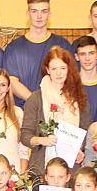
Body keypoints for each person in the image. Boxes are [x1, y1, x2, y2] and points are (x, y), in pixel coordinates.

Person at [19, 46, 89, 176]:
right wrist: (41, 140)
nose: (59, 73)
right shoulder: (35, 98)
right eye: (54, 68)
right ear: (47, 70)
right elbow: (25, 136)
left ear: (69, 69)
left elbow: (85, 132)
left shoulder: (79, 98)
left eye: (63, 68)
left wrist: (79, 149)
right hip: (40, 168)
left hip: (70, 169)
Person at [3, 0, 72, 104]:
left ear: (49, 14)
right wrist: (37, 102)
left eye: (43, 11)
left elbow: (70, 78)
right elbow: (12, 82)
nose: (39, 16)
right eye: (34, 11)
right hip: (24, 112)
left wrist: (52, 103)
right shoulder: (14, 48)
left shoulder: (63, 45)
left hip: (57, 110)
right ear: (28, 13)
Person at [73, 36, 97, 124]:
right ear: (76, 57)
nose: (87, 58)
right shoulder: (69, 85)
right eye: (82, 54)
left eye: (91, 53)